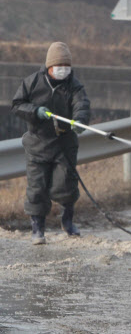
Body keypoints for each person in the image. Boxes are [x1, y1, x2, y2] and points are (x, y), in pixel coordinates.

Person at [12, 42, 91, 245]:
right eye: (59, 66)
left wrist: (80, 121)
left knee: (65, 185)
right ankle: (38, 229)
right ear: (49, 67)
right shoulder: (32, 82)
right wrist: (35, 111)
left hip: (64, 145)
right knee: (37, 188)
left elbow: (81, 105)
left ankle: (67, 221)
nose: (63, 70)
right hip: (37, 144)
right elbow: (18, 105)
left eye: (67, 66)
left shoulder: (74, 85)